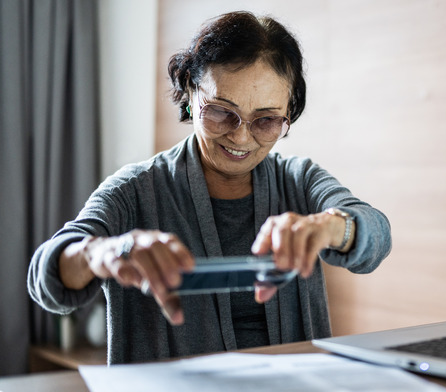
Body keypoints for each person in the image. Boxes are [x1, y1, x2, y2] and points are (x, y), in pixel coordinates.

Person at [27, 11, 392, 365]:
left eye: (265, 120)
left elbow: (376, 234)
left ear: (288, 116)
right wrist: (99, 252)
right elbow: (45, 278)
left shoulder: (300, 181)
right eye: (220, 112)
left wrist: (331, 225)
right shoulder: (133, 191)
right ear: (190, 93)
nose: (241, 136)